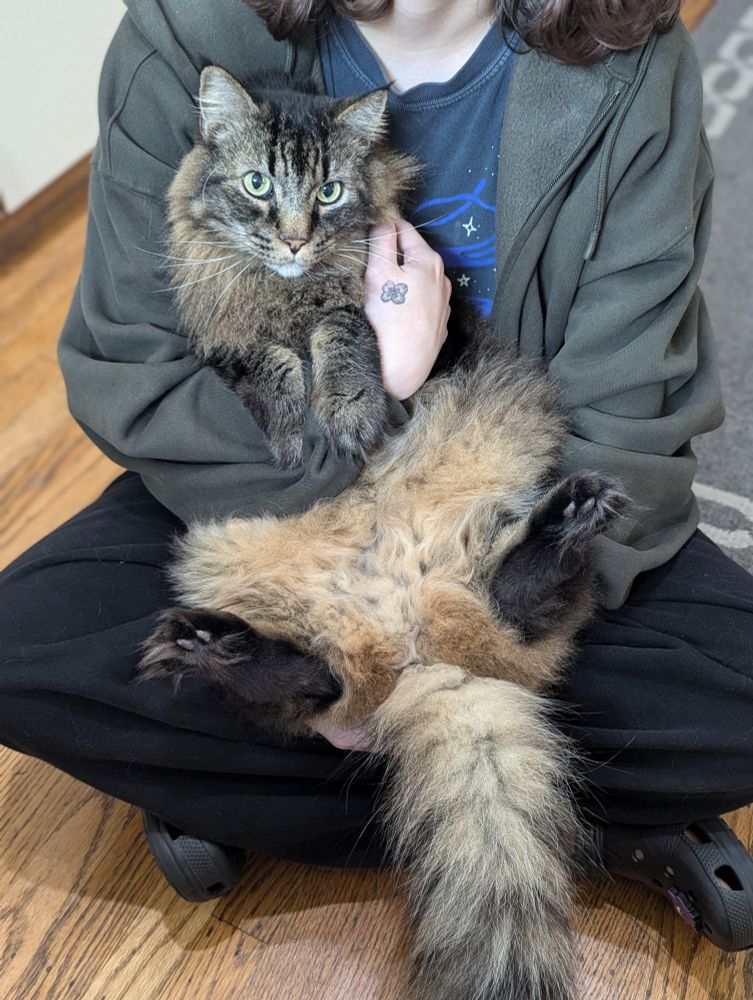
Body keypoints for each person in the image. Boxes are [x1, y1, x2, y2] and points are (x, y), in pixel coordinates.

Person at [1, 0, 752, 954]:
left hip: (493, 494)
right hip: (259, 482)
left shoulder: (634, 61)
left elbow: (631, 400)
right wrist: (381, 386)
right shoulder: (184, 28)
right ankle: (560, 801)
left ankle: (258, 757)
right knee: (21, 649)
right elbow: (133, 371)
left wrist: (465, 615)